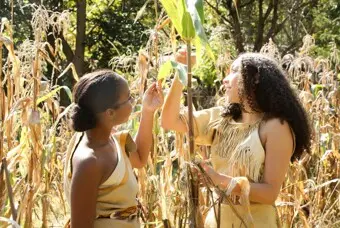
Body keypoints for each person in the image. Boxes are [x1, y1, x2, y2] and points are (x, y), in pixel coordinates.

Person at [161, 52, 311, 227]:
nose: (225, 80)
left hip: (255, 222)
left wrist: (219, 180)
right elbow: (169, 121)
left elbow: (270, 193)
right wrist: (182, 71)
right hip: (217, 221)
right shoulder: (221, 117)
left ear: (254, 79)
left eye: (233, 72)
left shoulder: (275, 127)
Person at [63, 69, 163, 228]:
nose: (133, 102)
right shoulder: (89, 162)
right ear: (110, 113)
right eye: (129, 98)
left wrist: (148, 111)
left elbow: (140, 158)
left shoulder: (109, 139)